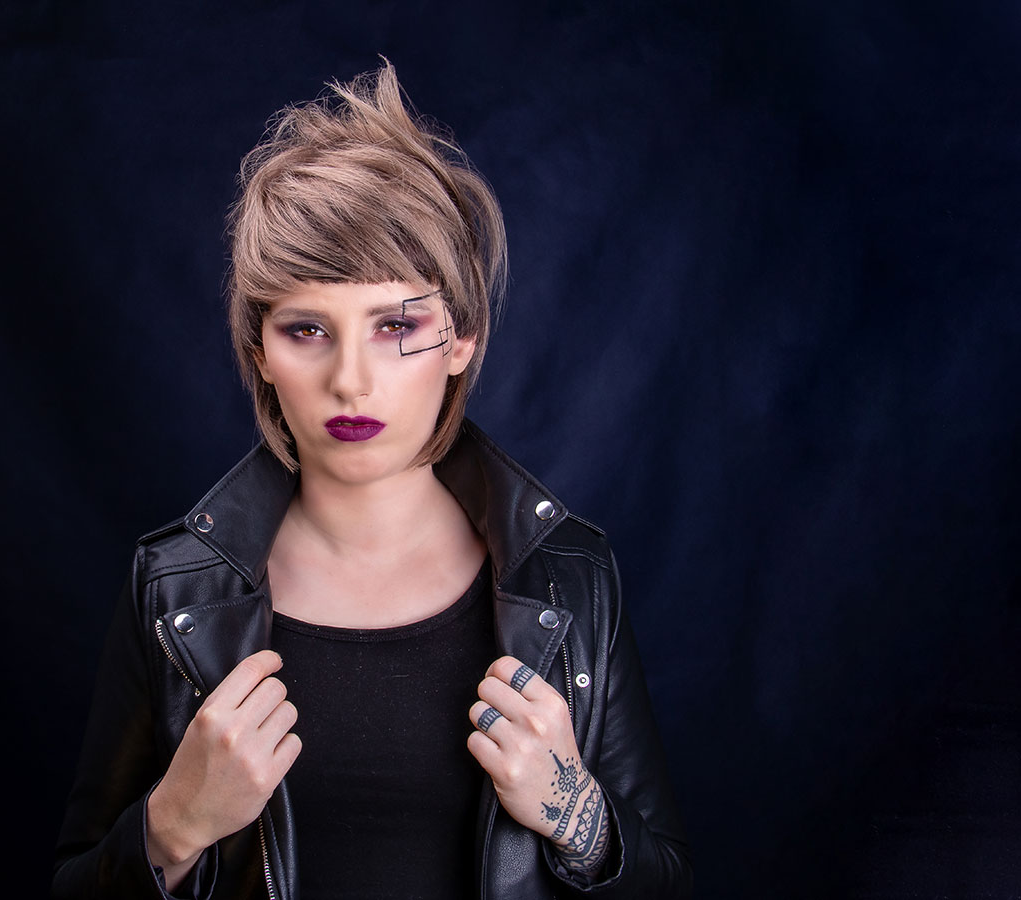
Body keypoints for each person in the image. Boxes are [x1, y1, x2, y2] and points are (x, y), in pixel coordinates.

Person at [53, 62, 691, 900]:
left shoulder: (569, 577)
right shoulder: (175, 589)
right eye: (307, 329)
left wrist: (578, 816)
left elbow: (667, 884)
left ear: (461, 338)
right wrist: (173, 825)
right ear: (259, 352)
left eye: (395, 325)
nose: (351, 381)